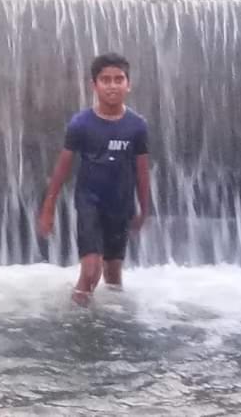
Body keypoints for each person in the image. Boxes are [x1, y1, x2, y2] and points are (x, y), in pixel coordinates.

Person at [36, 53, 150, 305]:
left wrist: (144, 207)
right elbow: (62, 169)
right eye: (105, 80)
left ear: (128, 84)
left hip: (121, 204)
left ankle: (113, 330)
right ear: (94, 86)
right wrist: (48, 207)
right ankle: (76, 323)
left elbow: (142, 170)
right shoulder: (81, 124)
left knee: (113, 276)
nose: (112, 85)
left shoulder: (137, 126)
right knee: (90, 273)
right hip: (90, 202)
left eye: (118, 79)